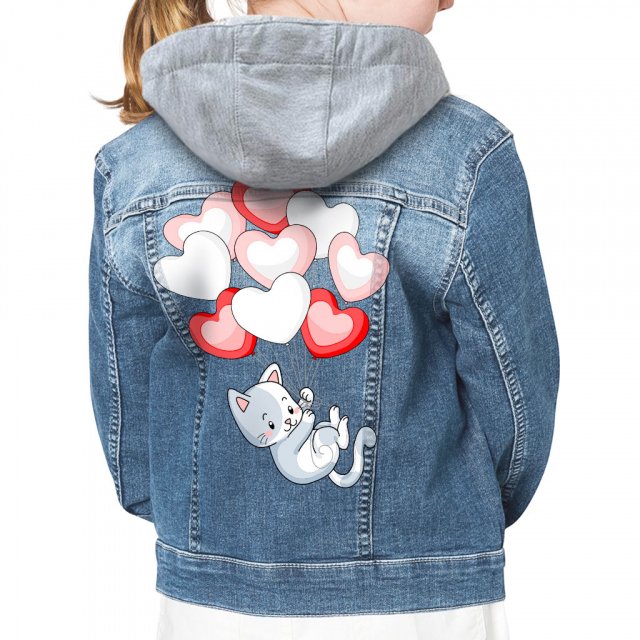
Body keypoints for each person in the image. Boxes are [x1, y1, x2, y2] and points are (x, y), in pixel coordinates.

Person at [89, 1, 560, 638]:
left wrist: (207, 531)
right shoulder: (467, 158)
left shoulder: (135, 168)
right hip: (427, 603)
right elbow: (517, 415)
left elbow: (132, 441)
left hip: (212, 606)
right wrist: (447, 516)